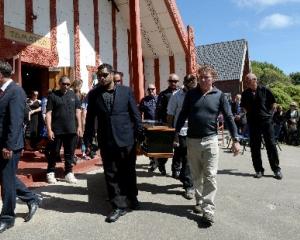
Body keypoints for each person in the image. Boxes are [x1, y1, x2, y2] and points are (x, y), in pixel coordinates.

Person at [176, 65, 240, 226]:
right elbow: (183, 113)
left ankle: (208, 210)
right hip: (192, 140)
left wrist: (236, 140)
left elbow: (229, 117)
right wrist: (175, 133)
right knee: (197, 175)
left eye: (207, 77)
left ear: (213, 78)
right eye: (201, 77)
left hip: (211, 140)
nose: (203, 79)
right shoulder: (191, 94)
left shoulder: (219, 96)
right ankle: (199, 200)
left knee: (210, 174)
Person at [84, 63, 143, 223]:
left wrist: (140, 134)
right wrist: (87, 139)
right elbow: (90, 119)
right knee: (111, 173)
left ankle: (132, 197)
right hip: (106, 140)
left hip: (126, 138)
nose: (101, 78)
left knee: (129, 171)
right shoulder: (94, 94)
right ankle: (118, 205)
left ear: (111, 74)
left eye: (104, 75)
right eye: (99, 76)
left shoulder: (125, 91)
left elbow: (135, 114)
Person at [0, 60, 42, 233]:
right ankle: (32, 198)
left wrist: (8, 146)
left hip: (9, 146)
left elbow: (16, 121)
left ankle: (8, 217)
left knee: (7, 181)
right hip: (2, 143)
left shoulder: (15, 91)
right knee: (6, 177)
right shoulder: (3, 92)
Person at [241, 73, 282, 180]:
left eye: (249, 81)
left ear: (255, 80)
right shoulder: (245, 93)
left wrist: (270, 115)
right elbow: (244, 107)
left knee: (271, 145)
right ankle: (259, 170)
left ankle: (276, 169)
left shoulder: (265, 90)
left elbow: (273, 104)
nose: (247, 83)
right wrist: (246, 114)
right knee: (255, 146)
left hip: (266, 122)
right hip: (253, 123)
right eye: (246, 81)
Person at [45, 76, 82, 184]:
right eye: (64, 83)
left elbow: (78, 112)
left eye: (68, 84)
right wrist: (49, 129)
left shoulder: (74, 95)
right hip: (57, 129)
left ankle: (68, 173)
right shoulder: (53, 96)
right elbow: (48, 113)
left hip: (71, 129)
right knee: (54, 152)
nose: (66, 86)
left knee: (69, 153)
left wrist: (79, 127)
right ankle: (50, 172)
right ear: (59, 83)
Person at [167, 74, 197, 200]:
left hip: (196, 131)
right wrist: (172, 133)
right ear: (184, 83)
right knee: (187, 158)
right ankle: (189, 186)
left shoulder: (198, 94)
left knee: (189, 158)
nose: (192, 83)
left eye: (194, 81)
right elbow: (170, 115)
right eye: (189, 81)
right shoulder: (176, 96)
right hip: (182, 131)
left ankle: (185, 178)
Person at [156, 73, 180, 176]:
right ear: (168, 82)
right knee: (166, 148)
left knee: (178, 149)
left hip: (179, 125)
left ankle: (176, 169)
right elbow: (159, 110)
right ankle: (161, 164)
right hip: (167, 124)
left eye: (175, 81)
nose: (173, 83)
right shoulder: (163, 94)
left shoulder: (181, 93)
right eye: (171, 81)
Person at [139, 83, 158, 171]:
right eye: (149, 89)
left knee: (156, 143)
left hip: (158, 124)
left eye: (152, 89)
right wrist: (139, 123)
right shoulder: (144, 100)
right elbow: (140, 112)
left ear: (155, 89)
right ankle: (153, 160)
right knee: (149, 143)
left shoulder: (159, 99)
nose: (151, 91)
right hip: (148, 124)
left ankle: (155, 161)